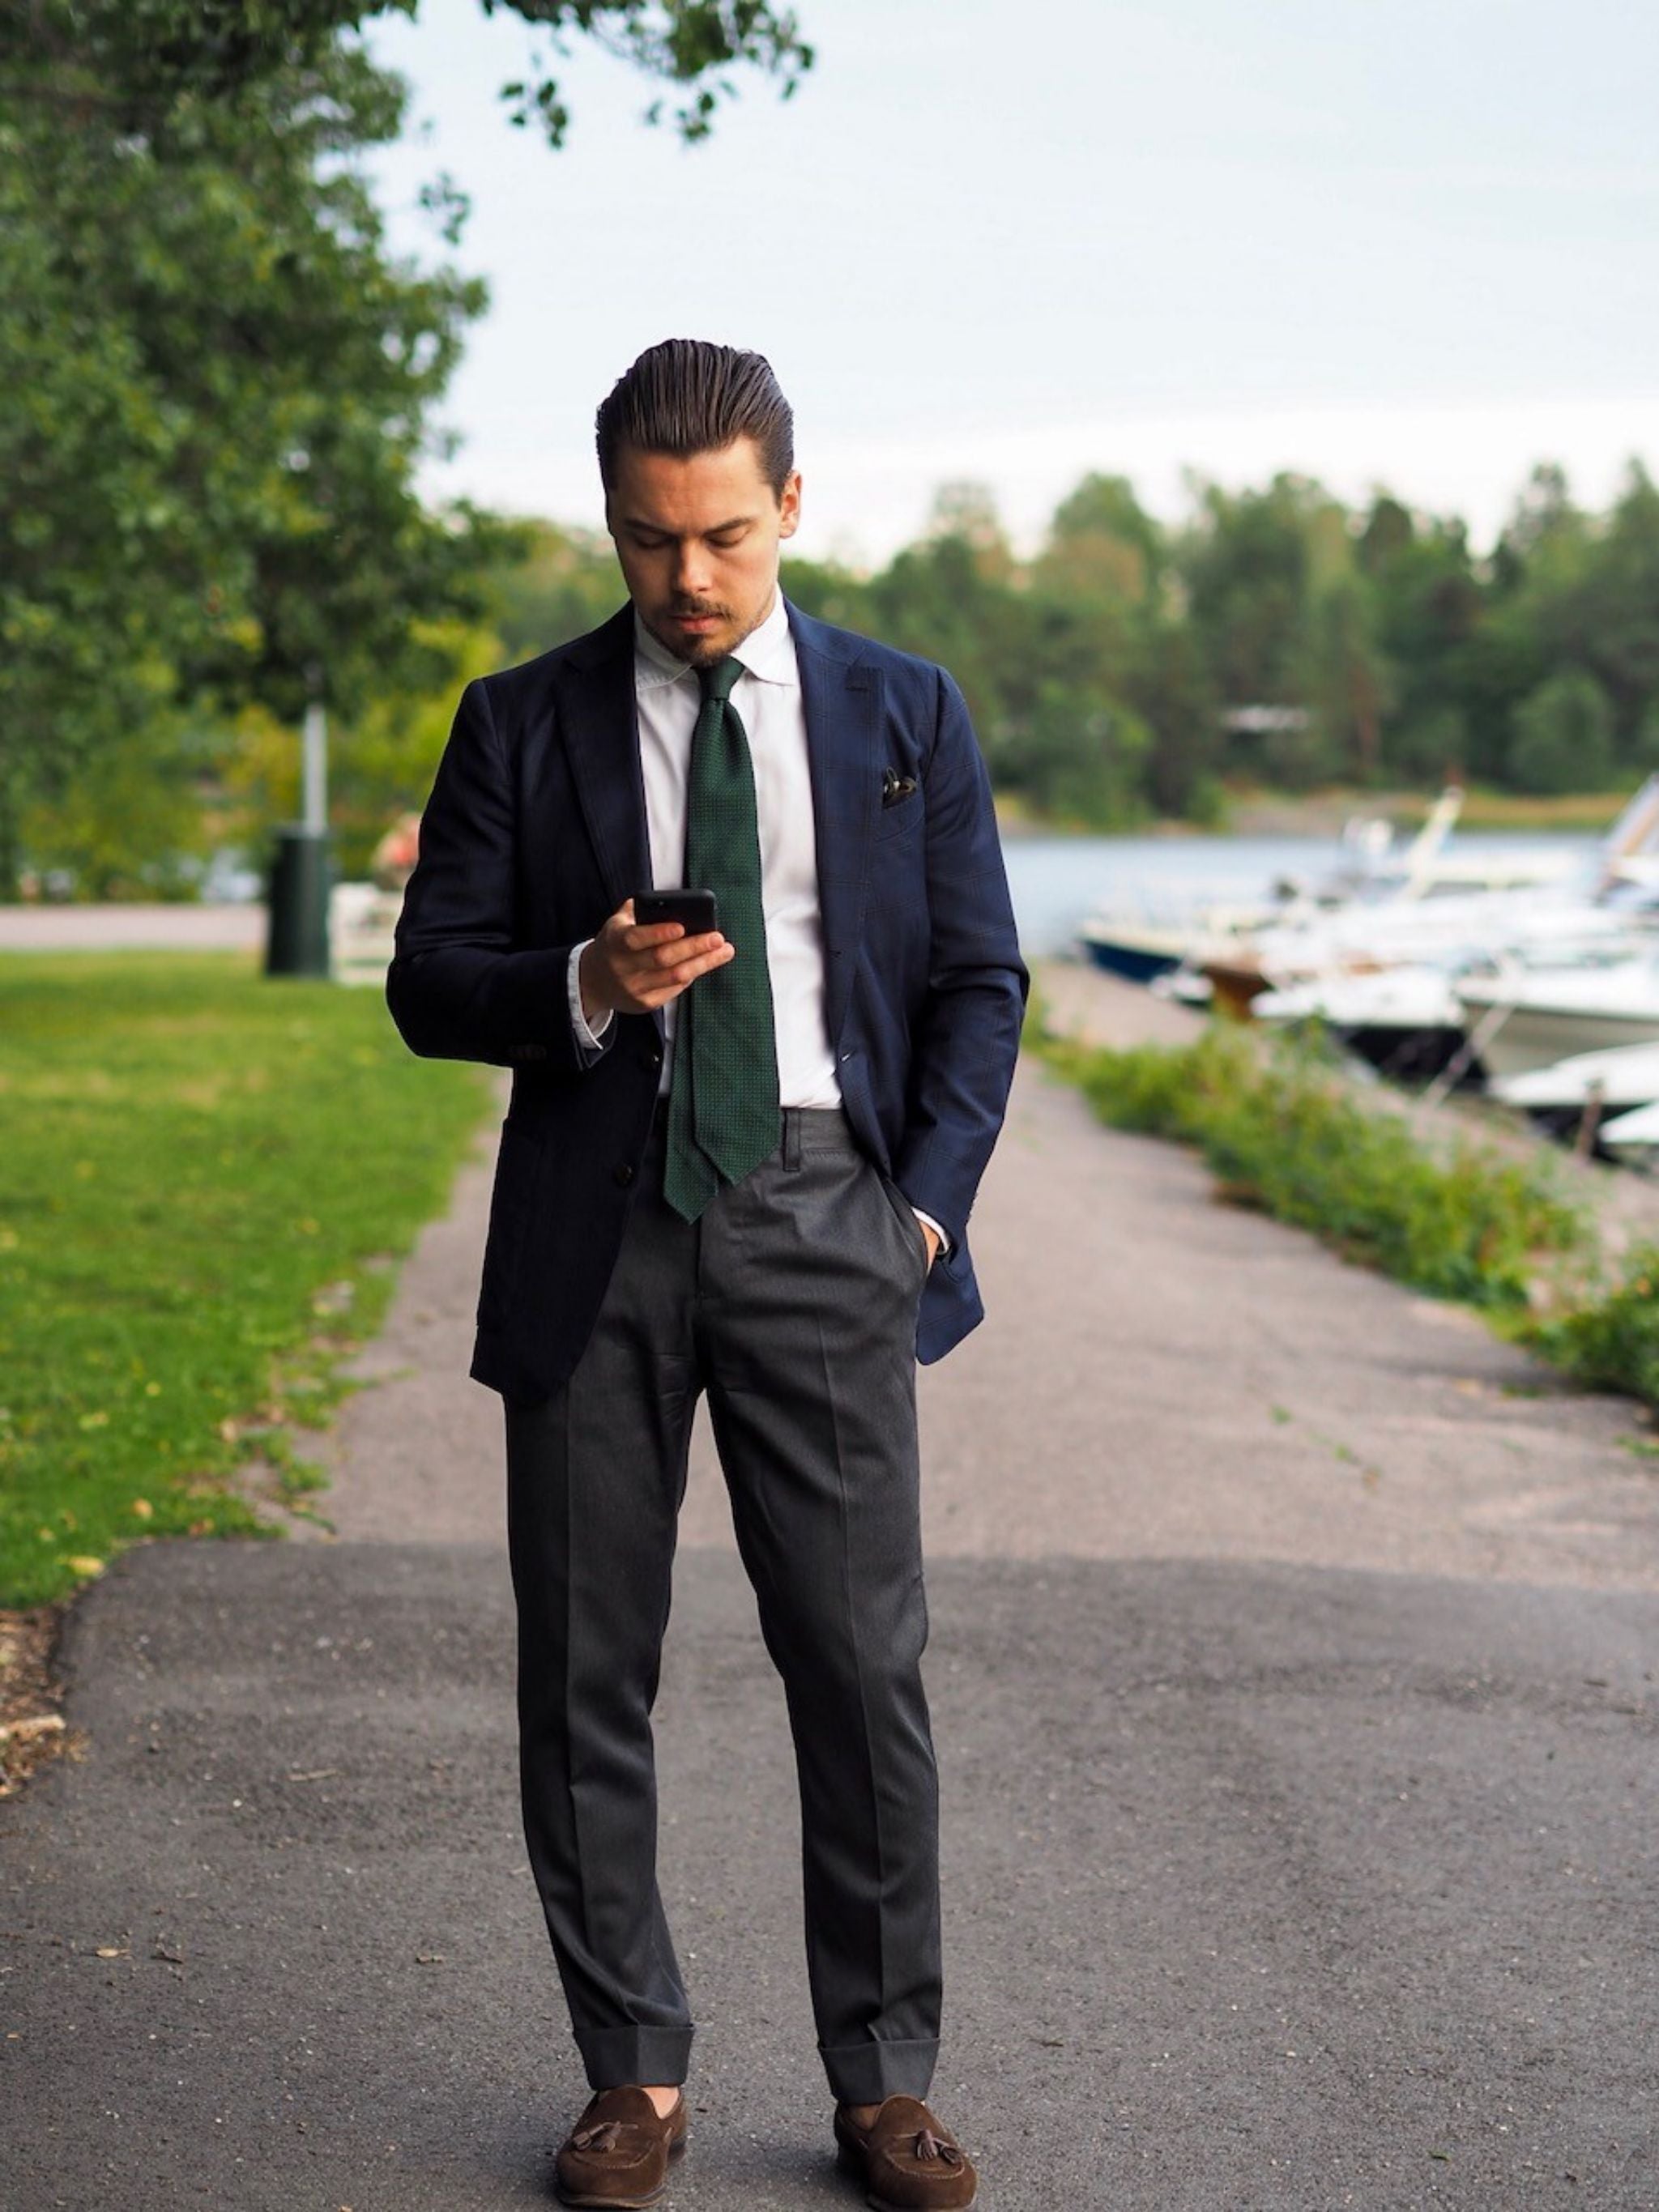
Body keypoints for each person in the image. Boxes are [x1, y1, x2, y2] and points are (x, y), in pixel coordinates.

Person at [387, 339, 1026, 2212]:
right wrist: (584, 983)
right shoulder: (519, 719)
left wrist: (918, 1209)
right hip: (597, 1219)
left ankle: (885, 2076)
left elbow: (981, 979)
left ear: (794, 508)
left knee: (859, 1663)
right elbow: (432, 978)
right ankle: (629, 2073)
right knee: (586, 1664)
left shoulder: (906, 709)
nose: (690, 580)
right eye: (653, 542)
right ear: (612, 522)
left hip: (831, 1207)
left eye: (726, 537)